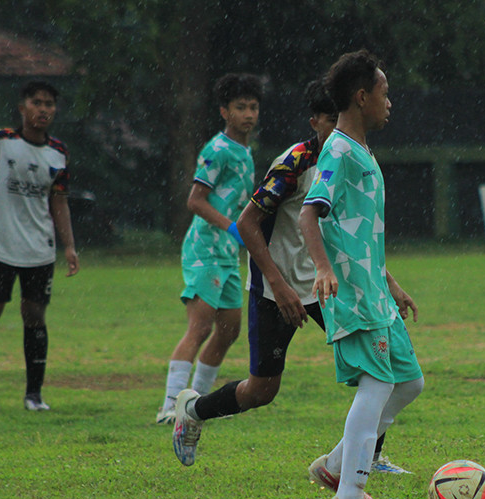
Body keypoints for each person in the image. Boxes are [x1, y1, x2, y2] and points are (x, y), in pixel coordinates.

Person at [170, 79, 410, 475]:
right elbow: (247, 224)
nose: (338, 129)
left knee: (377, 363)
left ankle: (368, 456)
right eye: (330, 121)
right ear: (314, 121)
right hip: (276, 288)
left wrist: (388, 282)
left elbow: (357, 233)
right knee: (261, 390)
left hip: (328, 283)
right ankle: (193, 409)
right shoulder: (294, 163)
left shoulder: (353, 157)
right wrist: (278, 286)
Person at [299, 50, 424, 499]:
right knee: (377, 384)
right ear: (361, 96)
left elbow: (363, 229)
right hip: (351, 292)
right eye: (384, 93)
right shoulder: (337, 151)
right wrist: (323, 268)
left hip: (375, 292)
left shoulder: (362, 151)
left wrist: (392, 283)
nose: (389, 102)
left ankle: (334, 466)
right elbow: (310, 211)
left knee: (408, 382)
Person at [0, 81, 79, 416]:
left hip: (39, 250)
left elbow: (59, 202)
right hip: (0, 246)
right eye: (37, 102)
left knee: (34, 316)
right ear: (23, 108)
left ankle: (34, 395)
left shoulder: (58, 152)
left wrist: (70, 247)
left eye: (49, 104)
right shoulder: (0, 142)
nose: (44, 109)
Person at [156, 73, 262, 424]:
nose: (248, 114)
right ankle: (171, 405)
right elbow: (195, 201)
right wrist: (231, 226)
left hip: (228, 255)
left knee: (230, 330)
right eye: (240, 107)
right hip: (204, 249)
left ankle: (198, 403)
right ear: (224, 111)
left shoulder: (246, 152)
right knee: (199, 328)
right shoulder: (216, 150)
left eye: (253, 107)